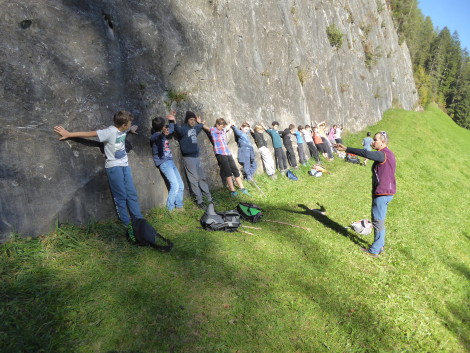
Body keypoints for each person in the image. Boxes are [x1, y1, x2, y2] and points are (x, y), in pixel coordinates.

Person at [53, 110, 143, 237]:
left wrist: (131, 129)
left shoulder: (123, 129)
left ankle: (139, 219)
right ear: (123, 124)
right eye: (129, 123)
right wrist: (69, 134)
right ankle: (127, 223)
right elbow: (90, 134)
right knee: (121, 196)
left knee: (132, 193)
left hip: (124, 165)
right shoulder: (109, 132)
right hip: (114, 167)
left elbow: (125, 132)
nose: (130, 124)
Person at [335, 131, 396, 257]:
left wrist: (346, 149)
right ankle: (380, 246)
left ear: (383, 142)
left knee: (378, 222)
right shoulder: (389, 154)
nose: (373, 142)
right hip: (387, 192)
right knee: (379, 221)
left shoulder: (382, 154)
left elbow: (366, 153)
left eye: (375, 140)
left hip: (382, 193)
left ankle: (374, 250)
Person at [174, 111, 212, 208]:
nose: (193, 122)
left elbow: (200, 126)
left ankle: (209, 198)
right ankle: (199, 201)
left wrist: (200, 123)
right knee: (193, 180)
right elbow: (177, 129)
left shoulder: (195, 128)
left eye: (194, 120)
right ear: (187, 120)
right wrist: (173, 120)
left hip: (196, 157)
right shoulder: (183, 129)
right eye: (191, 119)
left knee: (201, 178)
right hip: (188, 158)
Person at [202, 118, 250, 197]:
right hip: (220, 154)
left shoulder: (223, 130)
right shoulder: (213, 130)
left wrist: (231, 124)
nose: (222, 128)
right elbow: (206, 128)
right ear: (217, 125)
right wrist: (201, 123)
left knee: (235, 170)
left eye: (223, 126)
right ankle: (232, 190)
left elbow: (227, 128)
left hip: (227, 153)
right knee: (228, 172)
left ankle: (242, 188)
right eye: (221, 126)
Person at [150, 113, 185, 212]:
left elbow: (172, 129)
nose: (166, 127)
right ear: (161, 128)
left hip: (170, 161)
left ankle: (179, 206)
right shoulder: (154, 136)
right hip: (164, 163)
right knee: (175, 185)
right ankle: (170, 209)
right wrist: (162, 134)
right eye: (164, 126)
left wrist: (171, 121)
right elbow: (157, 138)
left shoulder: (164, 132)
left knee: (180, 185)